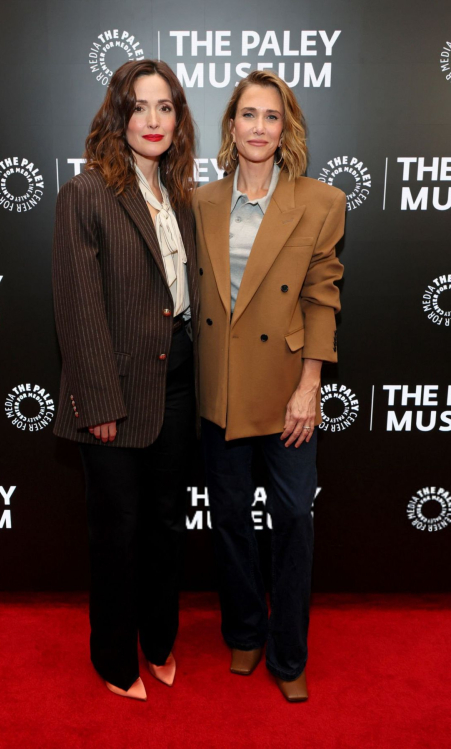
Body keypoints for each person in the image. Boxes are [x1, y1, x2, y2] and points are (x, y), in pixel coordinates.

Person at [192, 69, 345, 702]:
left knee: (292, 524)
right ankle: (245, 632)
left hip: (287, 391)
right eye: (248, 115)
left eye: (271, 117)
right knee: (229, 520)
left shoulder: (321, 202)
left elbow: (320, 297)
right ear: (232, 125)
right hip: (221, 390)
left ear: (286, 130)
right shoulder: (199, 200)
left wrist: (310, 384)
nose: (259, 127)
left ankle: (289, 653)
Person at [52, 59, 198, 701]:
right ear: (119, 115)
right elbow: (78, 307)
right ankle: (115, 658)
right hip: (114, 390)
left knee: (166, 524)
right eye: (140, 107)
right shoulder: (86, 193)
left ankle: (159, 638)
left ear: (178, 118)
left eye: (165, 107)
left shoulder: (181, 195)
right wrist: (98, 401)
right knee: (117, 531)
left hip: (179, 383)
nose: (153, 120)